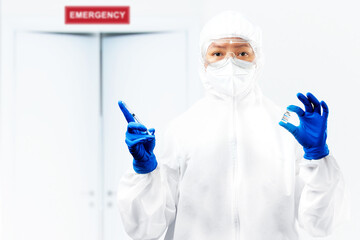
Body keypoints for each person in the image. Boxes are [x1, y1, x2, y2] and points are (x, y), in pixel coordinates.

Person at [117, 11, 348, 240]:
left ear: (257, 59)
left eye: (242, 53)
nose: (230, 62)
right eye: (217, 53)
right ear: (203, 62)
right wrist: (145, 171)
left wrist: (318, 158)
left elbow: (320, 225)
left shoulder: (286, 127)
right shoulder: (182, 129)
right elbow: (146, 230)